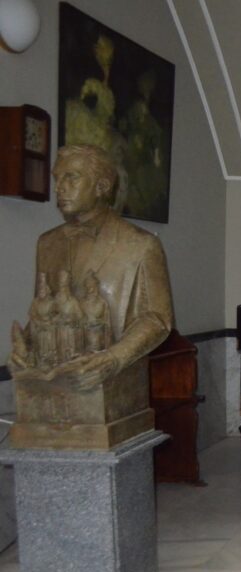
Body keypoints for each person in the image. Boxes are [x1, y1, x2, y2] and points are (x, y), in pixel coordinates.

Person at [16, 144, 174, 389]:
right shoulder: (47, 243)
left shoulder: (140, 244)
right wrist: (25, 346)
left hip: (114, 385)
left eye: (72, 177)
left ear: (102, 186)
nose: (59, 187)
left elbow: (157, 319)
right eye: (57, 178)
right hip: (54, 386)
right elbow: (46, 308)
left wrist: (112, 359)